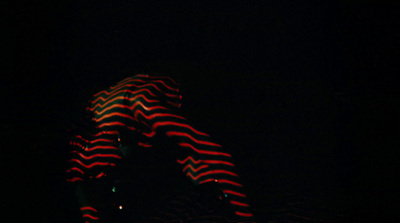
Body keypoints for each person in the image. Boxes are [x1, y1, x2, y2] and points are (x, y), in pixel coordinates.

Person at [66, 74, 255, 222]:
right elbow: (85, 196)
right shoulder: (83, 147)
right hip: (154, 131)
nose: (103, 176)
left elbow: (214, 153)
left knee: (208, 176)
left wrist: (247, 219)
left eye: (100, 171)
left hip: (198, 98)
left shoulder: (139, 103)